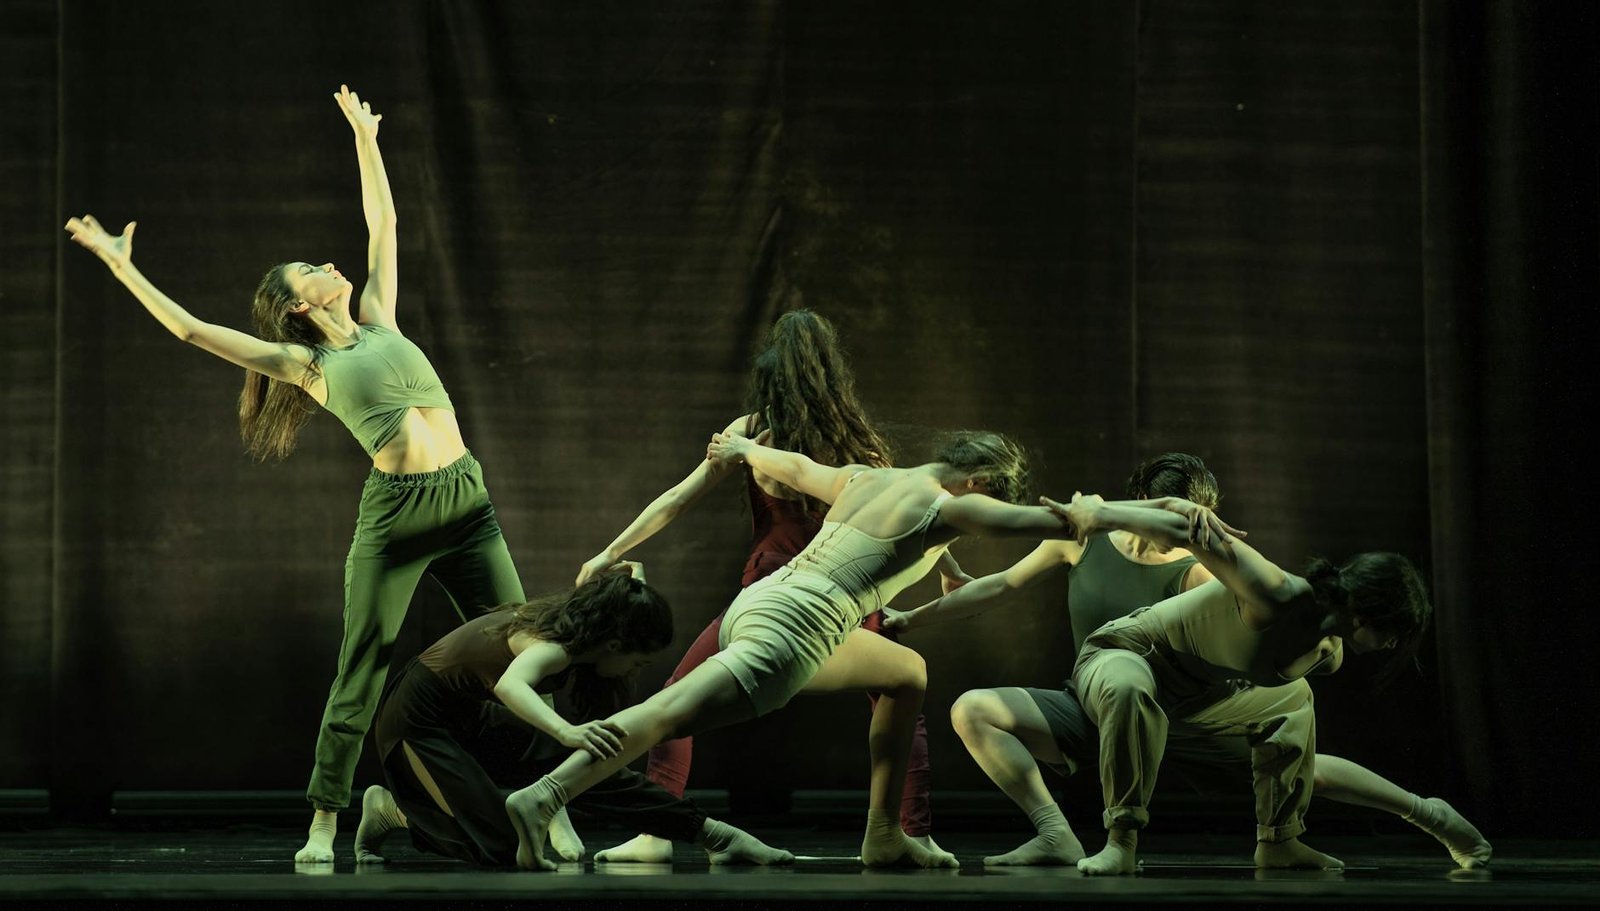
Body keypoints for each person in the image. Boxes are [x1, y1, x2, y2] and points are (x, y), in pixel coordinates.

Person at [65, 86, 535, 863]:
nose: (329, 263)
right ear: (296, 308)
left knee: (525, 648)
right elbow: (189, 329)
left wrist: (365, 138)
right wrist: (122, 266)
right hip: (396, 519)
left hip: (468, 504)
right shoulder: (307, 364)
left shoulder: (381, 316)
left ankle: (511, 800)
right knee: (362, 664)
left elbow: (384, 222)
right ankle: (328, 816)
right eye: (311, 269)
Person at [498, 429, 1081, 871]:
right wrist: (1139, 515)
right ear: (978, 484)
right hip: (792, 625)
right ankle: (544, 794)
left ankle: (883, 833)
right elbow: (1044, 524)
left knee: (905, 671)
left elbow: (797, 469)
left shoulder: (868, 476)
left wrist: (745, 446)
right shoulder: (944, 502)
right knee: (665, 715)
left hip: (766, 598)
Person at [889, 453, 1491, 870]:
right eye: (1163, 515)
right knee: (983, 709)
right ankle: (1066, 835)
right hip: (1109, 685)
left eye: (1180, 519)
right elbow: (1001, 586)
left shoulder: (1209, 577)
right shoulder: (1094, 542)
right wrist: (914, 619)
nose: (1165, 532)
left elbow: (1223, 586)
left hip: (1184, 712)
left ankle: (1348, 828)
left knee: (1296, 733)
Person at [574, 309, 962, 862]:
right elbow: (914, 518)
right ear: (832, 372)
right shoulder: (856, 443)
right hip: (843, 592)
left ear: (769, 373)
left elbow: (679, 497)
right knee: (900, 699)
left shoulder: (751, 433)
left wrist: (611, 550)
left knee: (676, 699)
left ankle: (656, 830)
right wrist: (946, 568)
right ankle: (910, 831)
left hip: (777, 587)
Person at [1035, 491, 1439, 873]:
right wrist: (1100, 515)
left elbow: (1304, 751)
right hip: (1126, 652)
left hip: (1193, 691)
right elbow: (1189, 533)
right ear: (1368, 612)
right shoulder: (1277, 591)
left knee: (1294, 701)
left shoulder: (1328, 653)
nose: (1394, 643)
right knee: (1128, 686)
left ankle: (1279, 840)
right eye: (1397, 630)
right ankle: (1121, 842)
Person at [353, 564, 793, 868]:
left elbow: (622, 604)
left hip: (466, 718)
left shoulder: (588, 630)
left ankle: (716, 836)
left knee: (597, 767)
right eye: (638, 662)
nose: (637, 671)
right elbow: (510, 686)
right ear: (615, 645)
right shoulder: (554, 646)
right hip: (415, 727)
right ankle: (391, 810)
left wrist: (638, 585)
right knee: (499, 845)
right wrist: (565, 732)